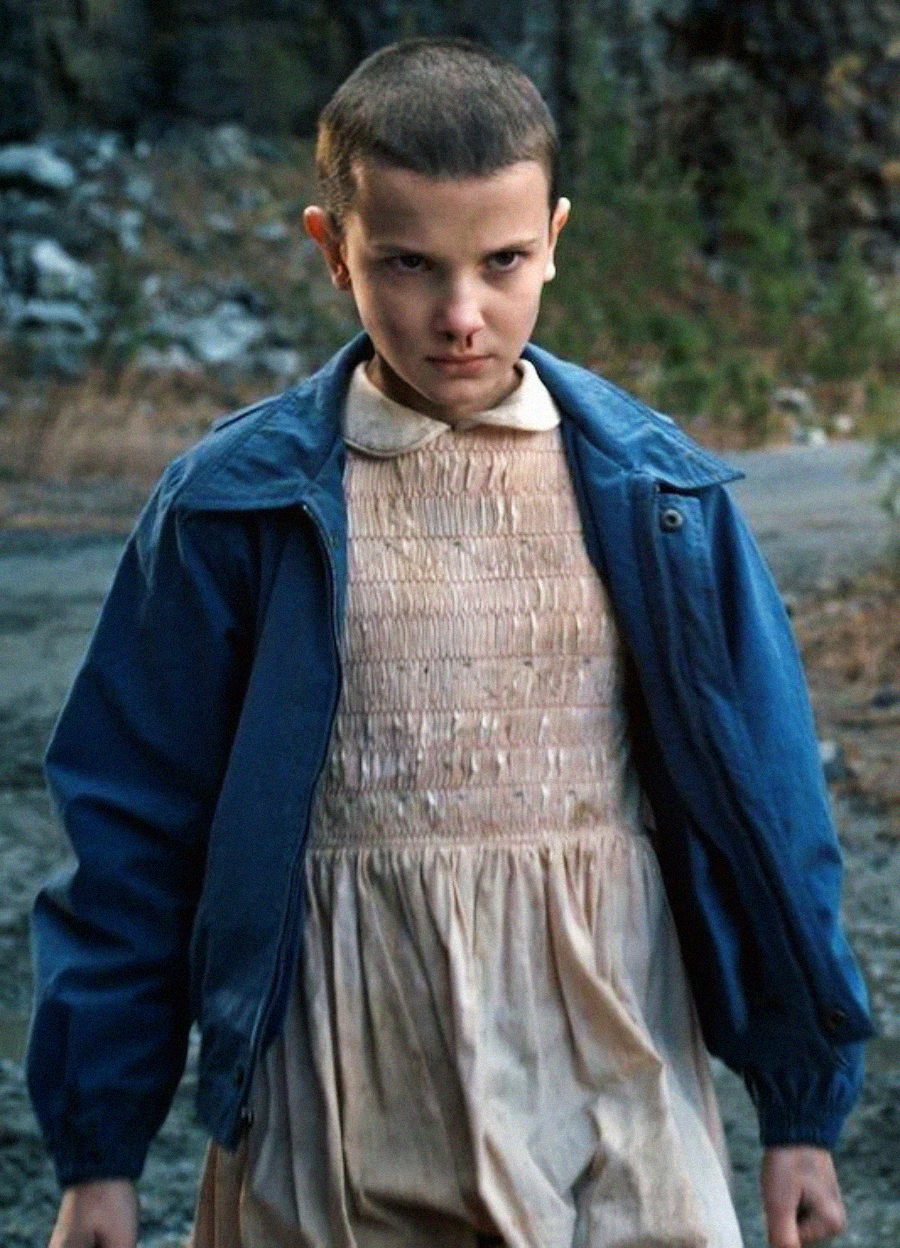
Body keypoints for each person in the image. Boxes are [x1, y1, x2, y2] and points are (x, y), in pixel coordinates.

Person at [29, 36, 871, 1248]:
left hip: (615, 1070)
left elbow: (776, 811)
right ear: (333, 249)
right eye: (408, 264)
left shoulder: (659, 495)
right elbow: (131, 831)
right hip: (342, 1082)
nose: (461, 314)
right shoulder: (234, 507)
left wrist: (800, 1107)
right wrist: (97, 1153)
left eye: (504, 260)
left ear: (557, 238)